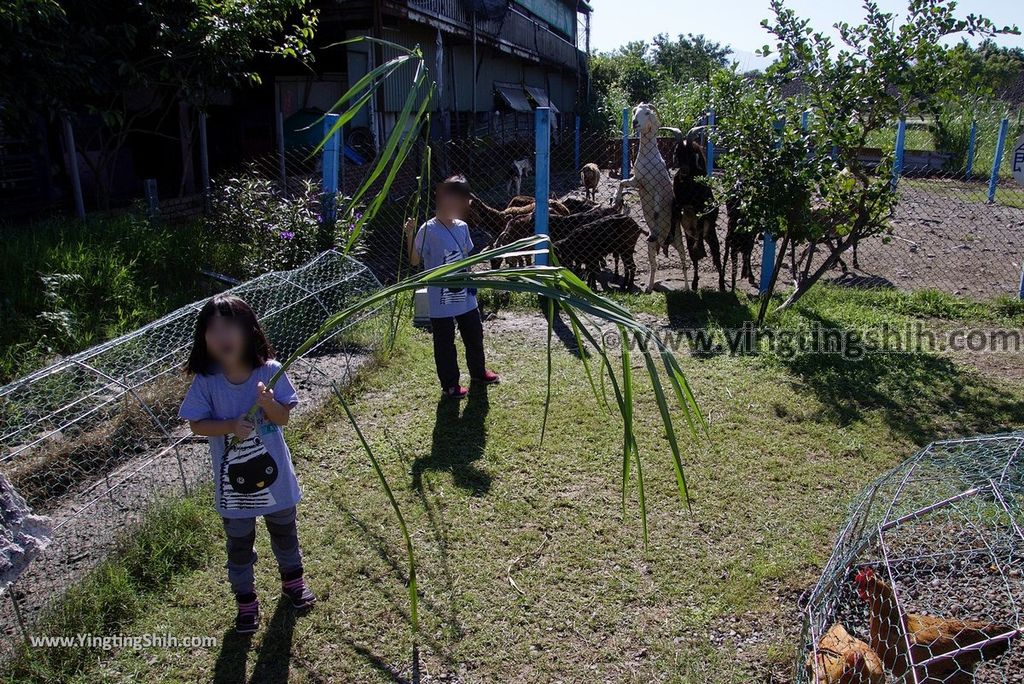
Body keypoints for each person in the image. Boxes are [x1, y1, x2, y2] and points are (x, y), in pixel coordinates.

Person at [179, 294, 315, 634]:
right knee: (239, 545)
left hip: (276, 481)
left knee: (285, 533)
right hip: (233, 488)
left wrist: (269, 404)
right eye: (212, 329)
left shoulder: (269, 371)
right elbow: (196, 425)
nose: (221, 335)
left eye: (229, 327)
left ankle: (293, 582)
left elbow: (283, 419)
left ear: (249, 330)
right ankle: (246, 603)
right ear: (203, 338)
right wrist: (228, 426)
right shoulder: (207, 382)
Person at [405, 175, 499, 399]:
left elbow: (466, 258)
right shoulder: (427, 230)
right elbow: (415, 261)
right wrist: (409, 234)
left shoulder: (462, 227)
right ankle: (450, 384)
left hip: (465, 294)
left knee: (474, 335)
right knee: (445, 342)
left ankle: (478, 372)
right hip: (441, 298)